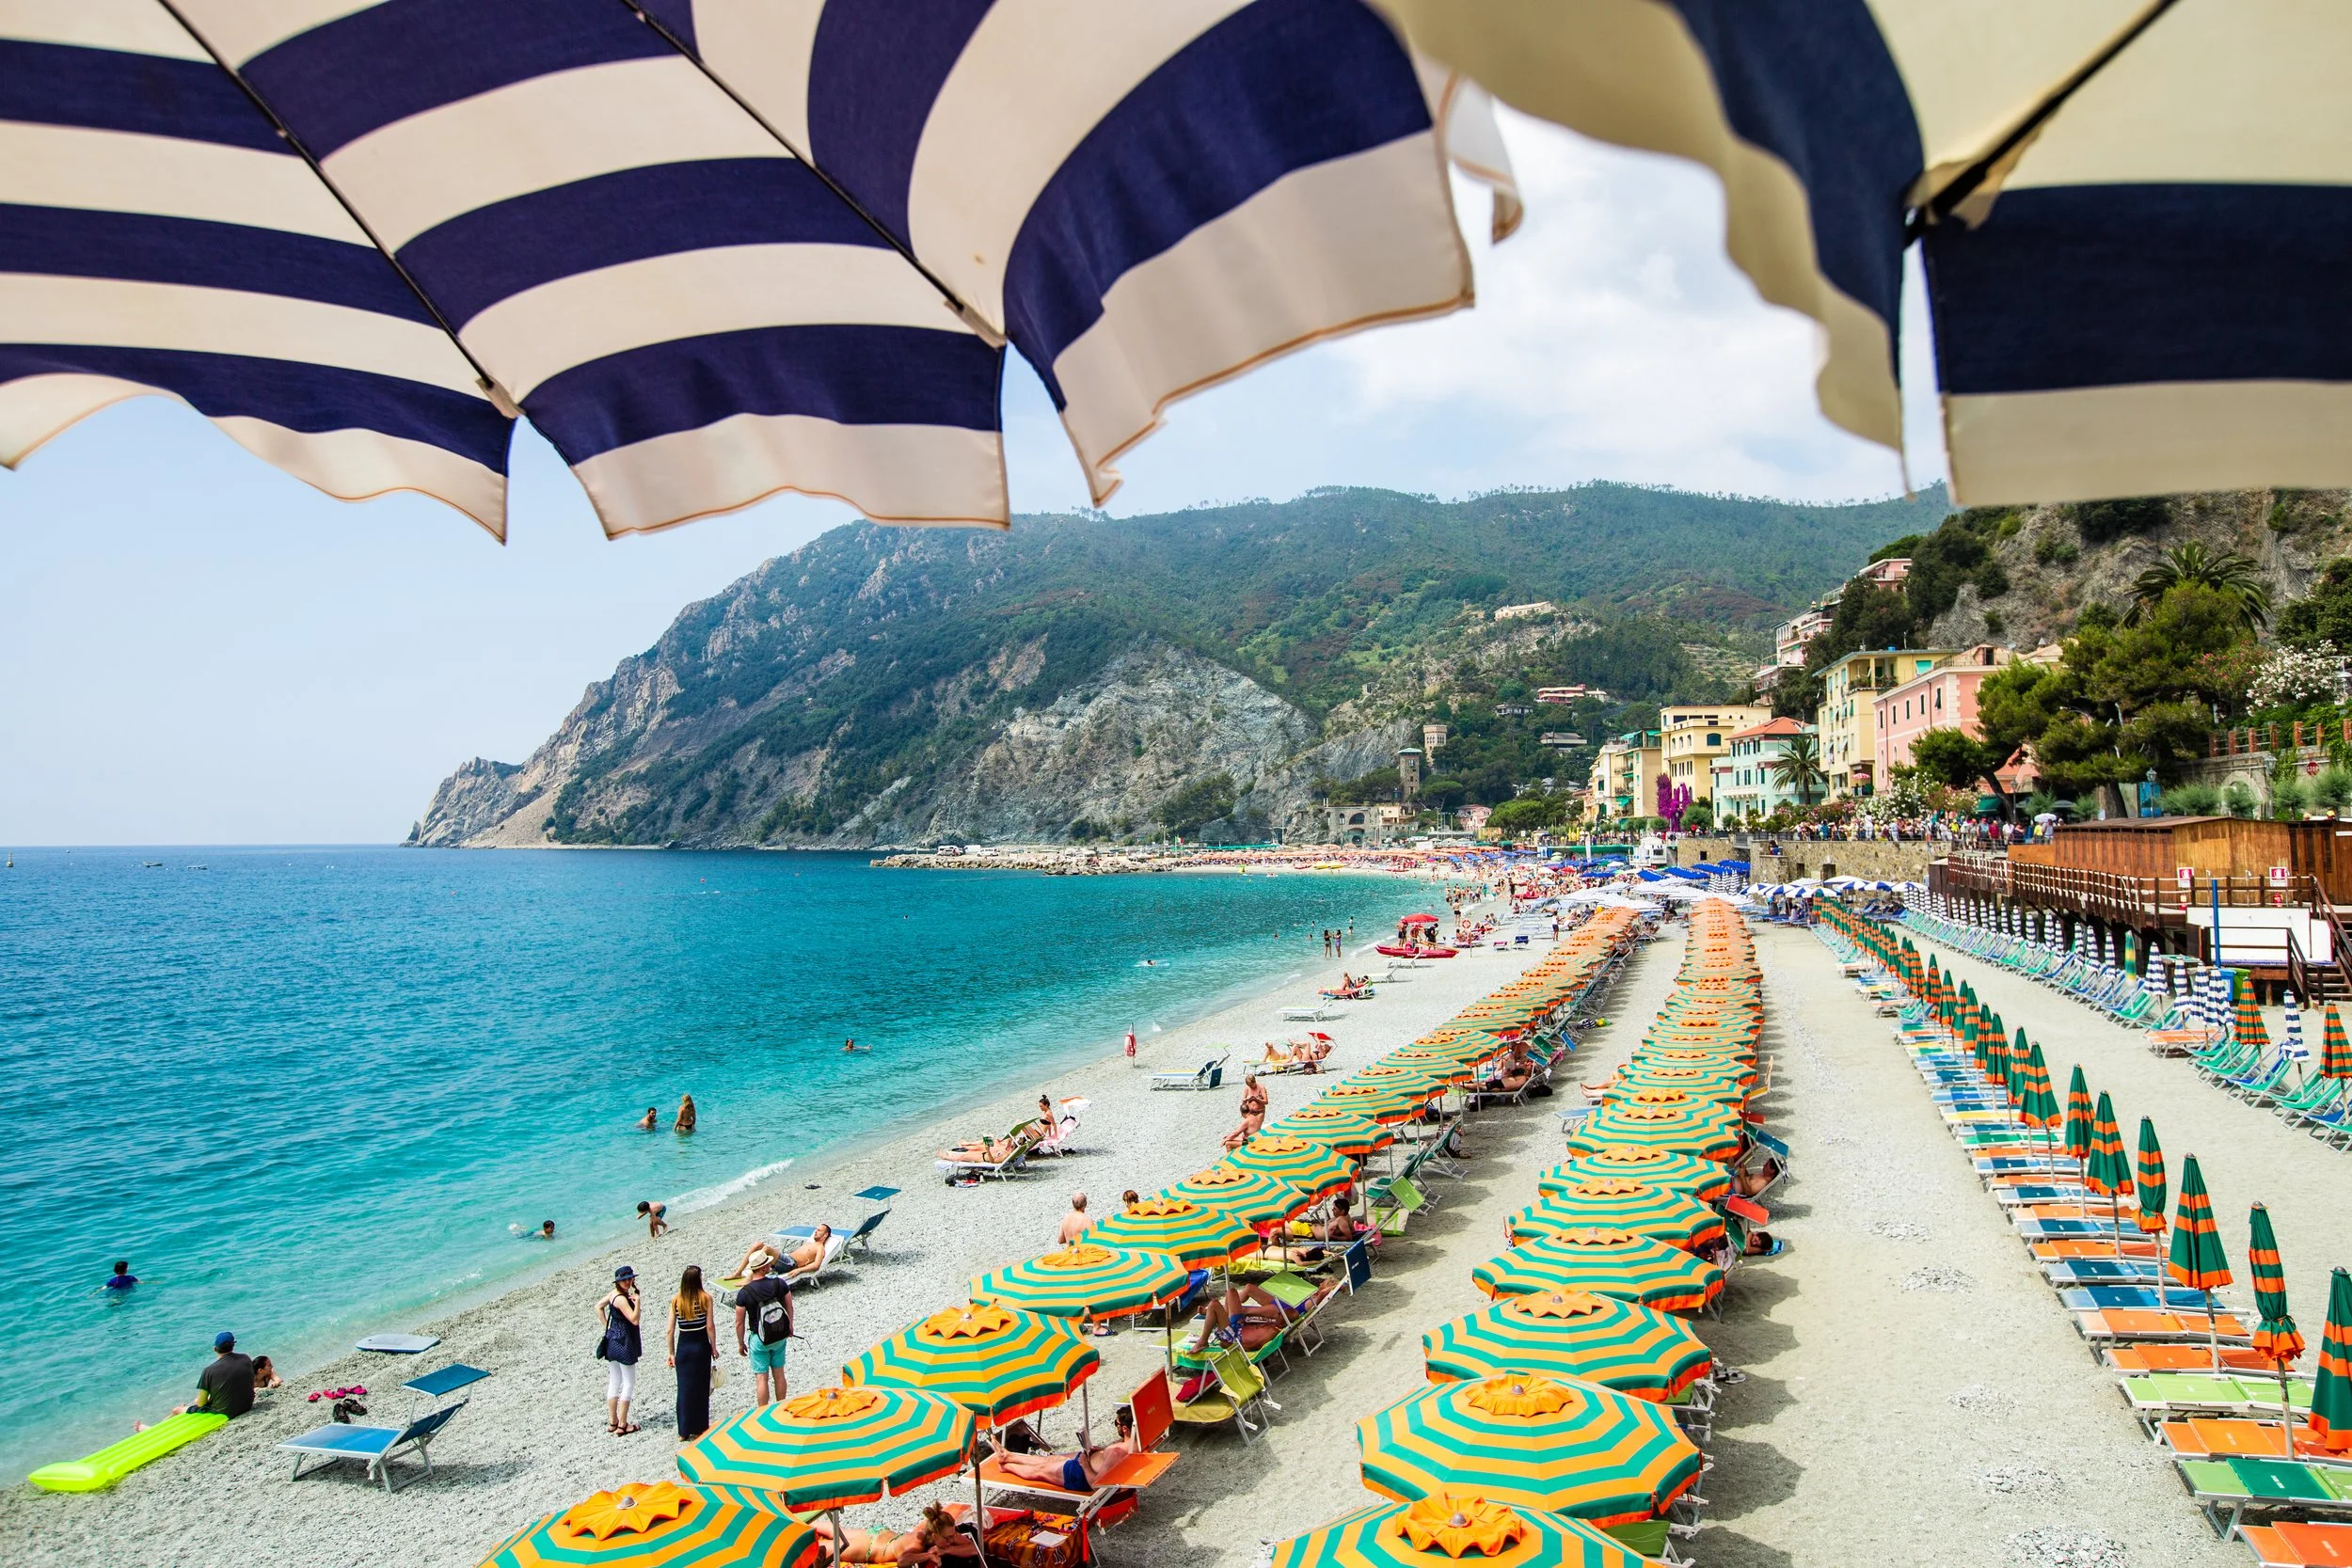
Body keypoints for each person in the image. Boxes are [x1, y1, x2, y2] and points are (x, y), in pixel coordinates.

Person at [986, 1407, 1136, 1493]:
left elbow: (1097, 1484)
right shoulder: (1135, 1444)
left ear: (1124, 1428)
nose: (1114, 1425)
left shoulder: (1116, 1453)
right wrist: (1101, 1451)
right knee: (1050, 1459)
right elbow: (1112, 1461)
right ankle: (1007, 1455)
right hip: (1088, 1463)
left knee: (1041, 1470)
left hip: (1081, 1475)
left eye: (1115, 1423)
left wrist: (1084, 1465)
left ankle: (1006, 1466)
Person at [810, 1504, 979, 1565]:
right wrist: (927, 1555)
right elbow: (902, 1561)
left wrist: (946, 1550)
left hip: (880, 1533)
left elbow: (974, 1549)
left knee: (833, 1530)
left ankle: (802, 1524)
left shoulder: (942, 1532)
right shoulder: (918, 1543)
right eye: (948, 1538)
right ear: (935, 1536)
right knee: (821, 1548)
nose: (952, 1540)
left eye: (952, 1536)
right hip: (871, 1547)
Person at [732, 1254, 793, 1406]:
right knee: (779, 1375)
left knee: (761, 1378)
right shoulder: (780, 1283)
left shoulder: (744, 1293)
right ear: (764, 1267)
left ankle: (763, 1412)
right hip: (779, 1335)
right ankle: (781, 1407)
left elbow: (739, 1322)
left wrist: (741, 1343)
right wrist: (790, 1326)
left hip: (759, 1338)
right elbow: (789, 1306)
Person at [669, 1264, 718, 1442]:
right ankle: (699, 1428)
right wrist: (714, 1347)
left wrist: (671, 1353)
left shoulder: (676, 1300)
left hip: (684, 1346)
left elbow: (670, 1330)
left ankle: (683, 1431)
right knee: (700, 1388)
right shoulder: (706, 1298)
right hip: (700, 1345)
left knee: (684, 1389)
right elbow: (710, 1326)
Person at [600, 1266, 644, 1435]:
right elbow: (634, 1319)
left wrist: (608, 1327)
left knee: (615, 1381)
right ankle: (623, 1424)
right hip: (625, 1342)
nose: (628, 1282)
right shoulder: (621, 1299)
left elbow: (598, 1306)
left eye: (630, 1278)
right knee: (629, 1382)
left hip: (613, 1341)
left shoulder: (613, 1295)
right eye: (625, 1279)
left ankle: (613, 1422)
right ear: (619, 1281)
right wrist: (638, 1301)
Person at [190, 1332, 256, 1418]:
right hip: (246, 1406)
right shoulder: (245, 1358)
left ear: (215, 1349)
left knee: (177, 1410)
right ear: (233, 1345)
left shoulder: (209, 1370)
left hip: (224, 1413)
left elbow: (201, 1403)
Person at [1220, 1070, 1268, 1151]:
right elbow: (1243, 1102)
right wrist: (1246, 1100)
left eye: (1252, 1085)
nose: (1251, 1087)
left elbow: (1266, 1101)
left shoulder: (1261, 1087)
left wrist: (1256, 1099)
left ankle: (1255, 1148)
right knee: (1247, 1130)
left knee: (1254, 1131)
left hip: (1259, 1111)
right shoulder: (1247, 1089)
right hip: (1250, 1113)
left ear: (1254, 1082)